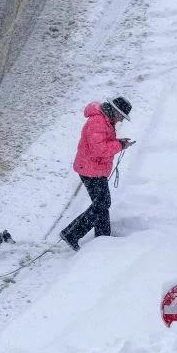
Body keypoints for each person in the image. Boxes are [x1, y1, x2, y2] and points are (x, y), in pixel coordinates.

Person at [60, 96, 134, 251]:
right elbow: (98, 149)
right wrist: (119, 144)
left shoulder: (105, 120)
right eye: (121, 116)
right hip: (90, 169)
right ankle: (71, 234)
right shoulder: (97, 121)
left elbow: (103, 142)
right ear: (115, 111)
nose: (121, 120)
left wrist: (120, 143)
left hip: (95, 169)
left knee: (101, 204)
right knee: (102, 203)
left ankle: (102, 238)